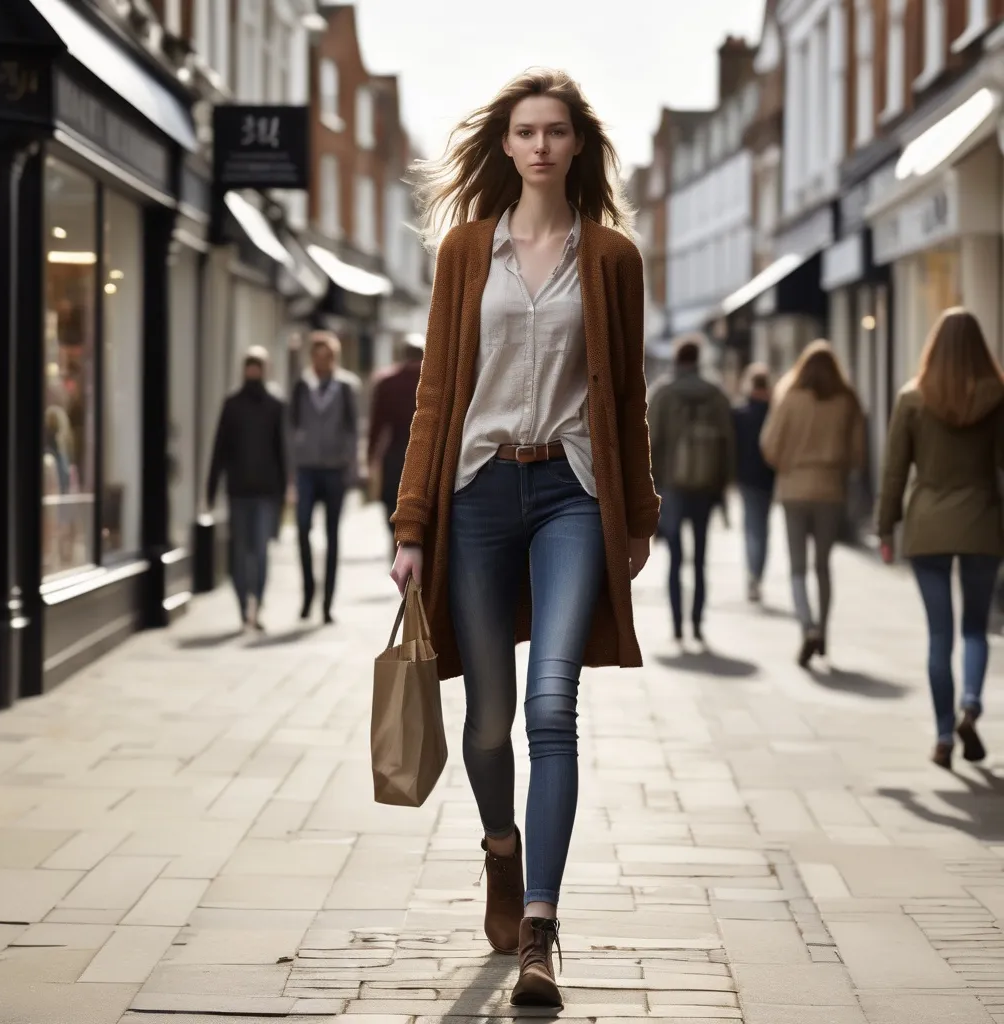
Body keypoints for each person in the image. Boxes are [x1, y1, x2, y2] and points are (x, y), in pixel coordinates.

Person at [387, 69, 658, 1008]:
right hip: (480, 495)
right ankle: (501, 848)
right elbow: (434, 396)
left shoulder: (613, 259)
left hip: (575, 494)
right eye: (524, 131)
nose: (540, 145)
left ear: (577, 145)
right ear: (505, 146)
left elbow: (626, 394)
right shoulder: (466, 252)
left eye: (555, 131)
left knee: (553, 708)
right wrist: (412, 524)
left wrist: (641, 512)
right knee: (489, 722)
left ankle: (539, 928)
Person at [877, 308, 1004, 770]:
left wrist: (884, 527)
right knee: (975, 627)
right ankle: (971, 702)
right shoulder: (998, 397)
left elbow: (894, 472)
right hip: (982, 521)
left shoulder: (912, 398)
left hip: (928, 523)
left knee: (939, 634)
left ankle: (945, 734)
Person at [761, 340, 865, 667]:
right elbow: (859, 451)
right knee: (823, 566)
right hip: (831, 490)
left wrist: (788, 464)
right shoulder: (847, 401)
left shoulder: (788, 397)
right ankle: (823, 630)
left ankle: (806, 626)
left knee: (797, 567)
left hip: (793, 488)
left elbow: (769, 444)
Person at [648, 335, 734, 647]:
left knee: (674, 558)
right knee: (700, 558)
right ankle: (697, 622)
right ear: (698, 358)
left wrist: (651, 488)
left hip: (672, 487)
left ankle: (677, 625)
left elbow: (650, 443)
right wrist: (723, 487)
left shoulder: (663, 394)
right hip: (706, 486)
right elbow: (728, 444)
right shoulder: (716, 395)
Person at [206, 347, 287, 631]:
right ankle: (243, 608)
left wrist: (284, 491)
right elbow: (220, 446)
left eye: (258, 366)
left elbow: (282, 451)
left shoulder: (276, 405)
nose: (253, 371)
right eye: (249, 365)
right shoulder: (232, 404)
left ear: (265, 369)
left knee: (261, 550)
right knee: (240, 552)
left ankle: (257, 603)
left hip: (266, 491)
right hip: (238, 490)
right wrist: (211, 486)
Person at [290, 331, 359, 624]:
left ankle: (327, 604)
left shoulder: (346, 387)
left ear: (334, 358)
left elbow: (354, 430)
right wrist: (290, 473)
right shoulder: (301, 387)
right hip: (306, 469)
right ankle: (308, 591)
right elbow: (290, 427)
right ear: (311, 358)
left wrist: (352, 469)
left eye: (327, 357)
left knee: (332, 536)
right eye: (317, 357)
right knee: (302, 528)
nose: (322, 363)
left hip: (335, 470)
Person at [367, 334, 425, 552]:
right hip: (425, 455)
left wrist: (370, 458)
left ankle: (398, 547)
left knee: (393, 505)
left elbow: (376, 425)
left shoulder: (387, 382)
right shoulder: (432, 380)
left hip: (395, 455)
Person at [733, 363, 776, 603]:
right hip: (767, 478)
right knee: (762, 529)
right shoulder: (774, 412)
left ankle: (753, 576)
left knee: (751, 528)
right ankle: (756, 576)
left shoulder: (739, 413)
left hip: (746, 478)